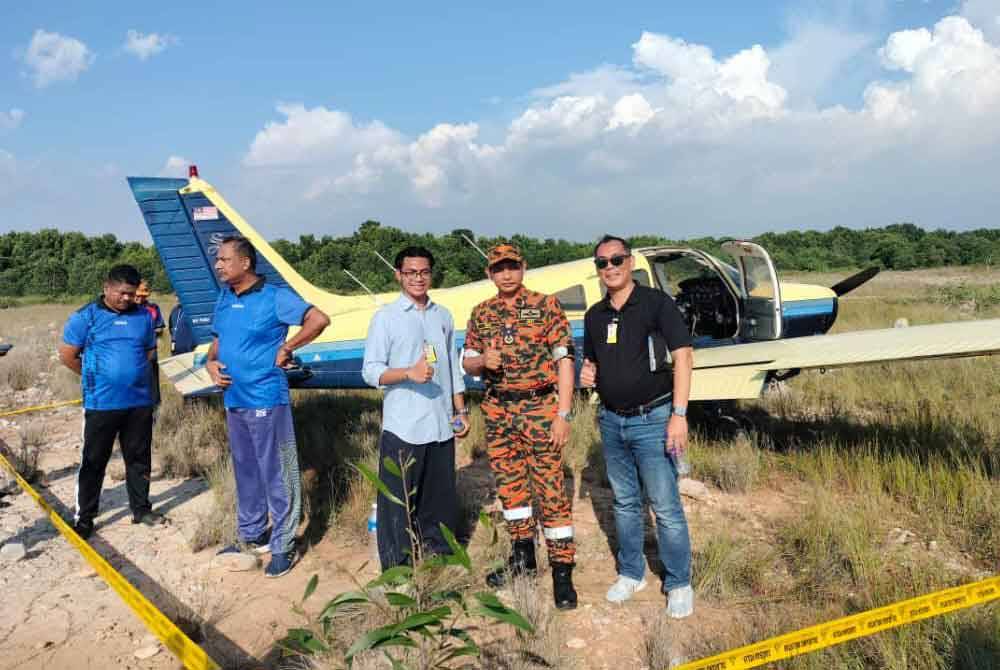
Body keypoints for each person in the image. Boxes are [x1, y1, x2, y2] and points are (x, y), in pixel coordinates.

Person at [579, 234, 695, 619]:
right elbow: (593, 363)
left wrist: (679, 414)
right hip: (611, 421)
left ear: (630, 263)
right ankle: (632, 573)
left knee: (665, 506)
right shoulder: (594, 316)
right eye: (602, 263)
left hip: (654, 418)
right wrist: (586, 374)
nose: (609, 268)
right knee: (625, 503)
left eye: (616, 260)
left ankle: (678, 582)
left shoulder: (657, 304)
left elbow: (683, 357)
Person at [204, 236, 330, 578]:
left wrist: (287, 348)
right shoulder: (225, 297)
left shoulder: (274, 297)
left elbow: (318, 319)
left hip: (266, 399)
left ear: (245, 263)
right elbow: (218, 342)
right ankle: (253, 535)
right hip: (234, 400)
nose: (218, 264)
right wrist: (210, 364)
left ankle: (284, 544)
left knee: (278, 473)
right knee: (246, 473)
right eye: (218, 259)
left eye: (224, 259)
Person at [462, 243, 578, 610]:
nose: (506, 274)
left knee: (551, 490)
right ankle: (523, 558)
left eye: (512, 266)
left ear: (523, 268)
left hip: (540, 407)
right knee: (511, 491)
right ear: (489, 274)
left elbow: (565, 361)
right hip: (498, 411)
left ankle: (562, 570)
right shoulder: (481, 313)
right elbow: (467, 363)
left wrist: (562, 414)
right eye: (499, 268)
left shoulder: (547, 306)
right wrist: (483, 360)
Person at [362, 246, 470, 569]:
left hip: (439, 426)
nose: (418, 279)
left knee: (438, 504)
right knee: (397, 506)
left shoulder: (443, 315)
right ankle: (398, 572)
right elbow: (370, 371)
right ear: (398, 275)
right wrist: (408, 372)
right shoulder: (386, 318)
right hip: (404, 428)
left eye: (424, 272)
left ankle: (439, 563)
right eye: (411, 273)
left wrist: (460, 410)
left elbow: (452, 366)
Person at [58, 264, 165, 539]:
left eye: (131, 293)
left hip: (139, 402)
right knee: (94, 461)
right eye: (122, 293)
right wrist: (96, 376)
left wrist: (131, 376)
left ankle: (141, 509)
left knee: (139, 458)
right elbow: (68, 355)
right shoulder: (86, 317)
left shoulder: (144, 316)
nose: (127, 298)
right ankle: (85, 518)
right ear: (107, 288)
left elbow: (150, 352)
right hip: (101, 403)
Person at [134, 279, 165, 407]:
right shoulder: (127, 308)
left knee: (152, 388)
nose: (141, 298)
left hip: (150, 354)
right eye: (138, 295)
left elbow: (160, 328)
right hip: (132, 355)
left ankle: (155, 413)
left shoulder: (153, 308)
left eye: (144, 296)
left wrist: (149, 331)